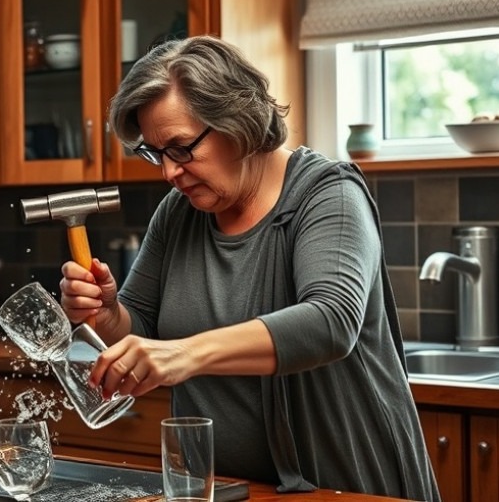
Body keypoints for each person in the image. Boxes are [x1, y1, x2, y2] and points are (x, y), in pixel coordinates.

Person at [59, 36, 439, 500]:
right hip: (227, 491)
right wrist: (105, 315)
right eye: (156, 153)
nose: (168, 173)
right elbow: (138, 325)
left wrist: (183, 354)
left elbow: (331, 323)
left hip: (347, 487)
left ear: (237, 123)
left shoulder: (328, 194)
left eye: (180, 148)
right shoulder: (178, 213)